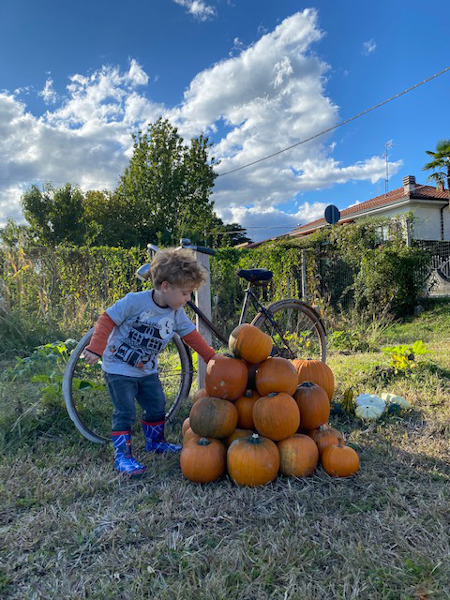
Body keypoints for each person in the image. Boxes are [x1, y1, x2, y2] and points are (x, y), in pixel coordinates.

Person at [83, 248, 217, 478]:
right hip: (119, 368)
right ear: (165, 286)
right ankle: (123, 455)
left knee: (156, 405)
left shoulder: (176, 313)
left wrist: (211, 357)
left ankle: (155, 443)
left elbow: (190, 336)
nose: (187, 299)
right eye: (185, 293)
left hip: (147, 370)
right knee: (124, 411)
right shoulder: (134, 302)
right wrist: (96, 348)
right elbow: (106, 319)